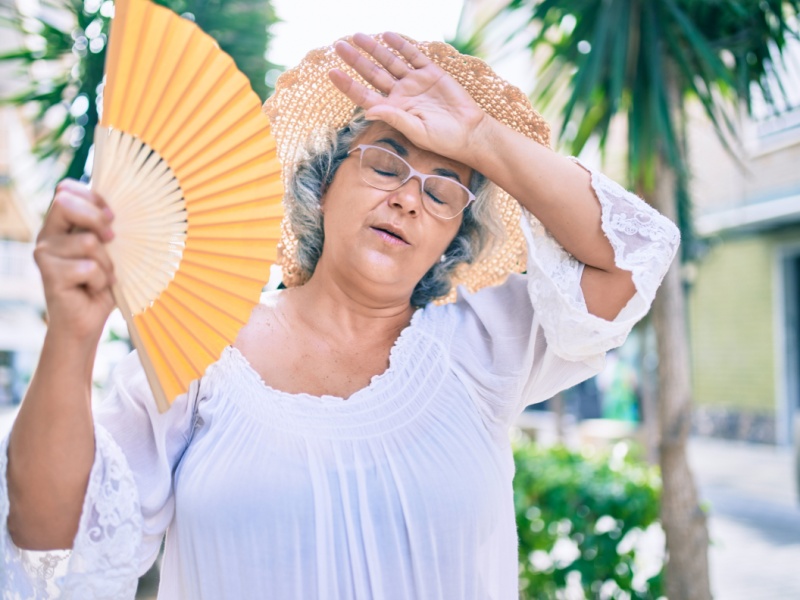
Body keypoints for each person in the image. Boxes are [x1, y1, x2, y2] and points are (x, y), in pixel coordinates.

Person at [1, 32, 679, 599]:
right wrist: (73, 331)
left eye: (445, 190)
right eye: (386, 164)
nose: (411, 199)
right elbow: (48, 540)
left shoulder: (484, 341)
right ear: (323, 183)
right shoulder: (198, 352)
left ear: (454, 238)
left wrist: (480, 138)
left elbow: (636, 253)